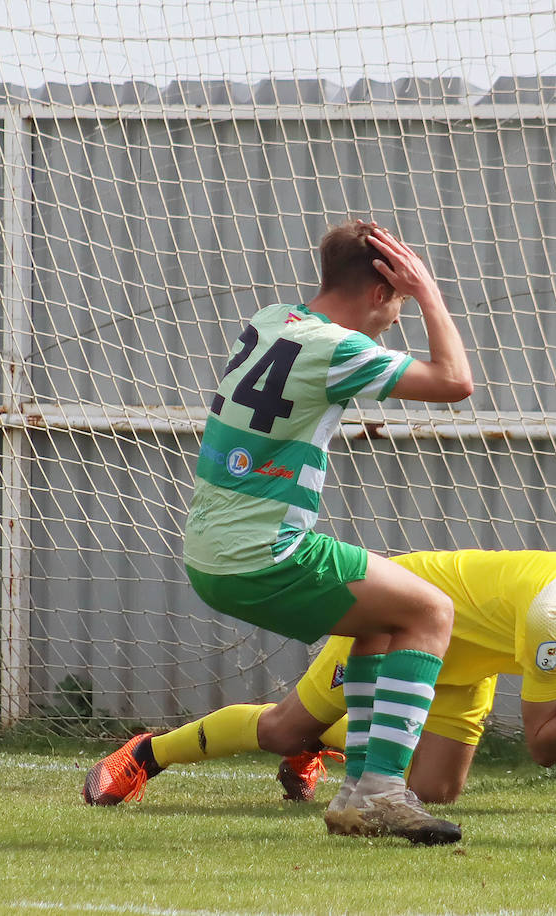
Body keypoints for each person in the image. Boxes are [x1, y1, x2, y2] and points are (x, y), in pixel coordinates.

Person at [85, 219, 475, 845]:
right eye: (398, 302)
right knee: (432, 611)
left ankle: (359, 796)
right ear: (380, 291)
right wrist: (429, 292)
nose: (398, 316)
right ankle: (380, 792)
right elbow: (456, 381)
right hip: (262, 554)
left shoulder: (270, 320)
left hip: (211, 552)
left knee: (380, 623)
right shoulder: (338, 350)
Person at [82, 531, 556, 815]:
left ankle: (323, 748)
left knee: (434, 795)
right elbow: (544, 748)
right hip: (405, 613)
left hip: (469, 665)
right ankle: (147, 755)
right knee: (281, 727)